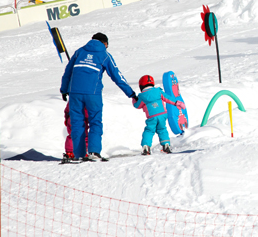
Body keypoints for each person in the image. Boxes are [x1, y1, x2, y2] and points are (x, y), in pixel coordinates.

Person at [60, 33, 137, 162]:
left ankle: (79, 155)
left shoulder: (79, 52)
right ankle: (94, 152)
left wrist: (64, 89)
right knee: (95, 122)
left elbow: (68, 71)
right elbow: (117, 76)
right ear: (105, 43)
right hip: (93, 94)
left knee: (77, 124)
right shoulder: (104, 55)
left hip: (75, 94)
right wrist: (131, 93)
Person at [133, 75, 184, 155]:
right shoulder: (158, 91)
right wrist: (176, 103)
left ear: (141, 86)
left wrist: (134, 99)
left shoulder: (142, 96)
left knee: (149, 130)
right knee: (162, 129)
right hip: (162, 115)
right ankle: (166, 145)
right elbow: (167, 98)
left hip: (152, 117)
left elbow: (137, 105)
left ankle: (146, 147)